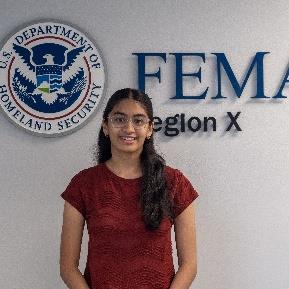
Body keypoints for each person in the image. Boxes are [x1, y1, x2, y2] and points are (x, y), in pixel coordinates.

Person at [59, 88, 199, 289]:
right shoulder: (83, 185)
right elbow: (68, 268)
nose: (129, 128)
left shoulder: (175, 183)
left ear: (150, 129)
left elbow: (189, 266)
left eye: (139, 120)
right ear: (105, 126)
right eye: (119, 119)